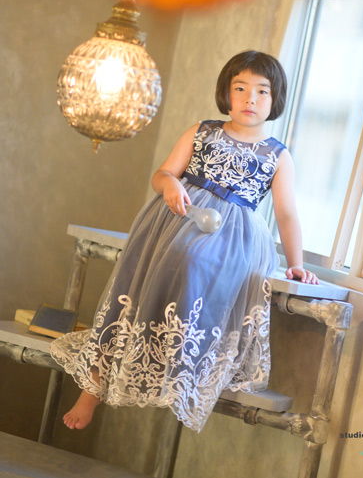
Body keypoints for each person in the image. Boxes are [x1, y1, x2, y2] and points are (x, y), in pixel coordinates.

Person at [50, 50, 318, 433]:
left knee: (196, 263)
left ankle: (177, 372)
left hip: (232, 238)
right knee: (146, 279)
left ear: (275, 100)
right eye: (240, 88)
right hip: (176, 220)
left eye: (262, 91)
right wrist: (171, 184)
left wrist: (296, 263)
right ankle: (93, 386)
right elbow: (161, 175)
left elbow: (287, 214)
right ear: (226, 93)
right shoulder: (202, 131)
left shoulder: (277, 156)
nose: (250, 99)